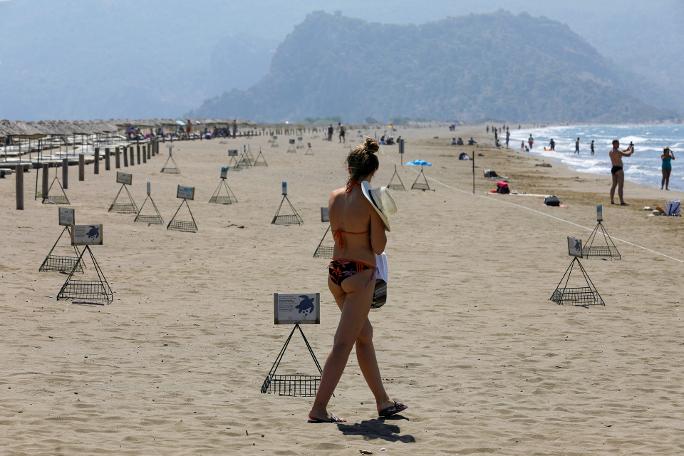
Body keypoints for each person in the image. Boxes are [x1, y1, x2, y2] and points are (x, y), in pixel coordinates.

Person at [308, 138, 406, 423]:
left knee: (364, 336)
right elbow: (377, 246)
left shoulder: (334, 196)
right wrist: (382, 218)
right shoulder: (371, 202)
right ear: (372, 172)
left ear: (349, 168)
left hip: (336, 273)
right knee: (343, 343)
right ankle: (318, 409)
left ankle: (383, 402)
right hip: (359, 276)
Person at [609, 139, 634, 205]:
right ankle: (621, 201)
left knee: (614, 185)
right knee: (620, 186)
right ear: (614, 144)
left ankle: (612, 200)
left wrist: (629, 147)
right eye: (617, 144)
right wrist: (631, 150)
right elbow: (628, 154)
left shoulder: (610, 151)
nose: (619, 145)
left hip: (613, 168)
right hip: (619, 169)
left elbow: (624, 150)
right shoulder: (617, 151)